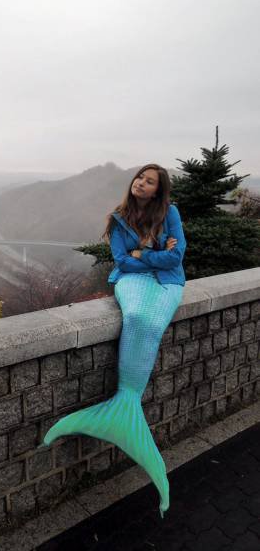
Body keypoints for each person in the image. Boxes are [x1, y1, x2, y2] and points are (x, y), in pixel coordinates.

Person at [39, 163, 187, 519]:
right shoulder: (119, 218)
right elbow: (122, 260)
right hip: (131, 280)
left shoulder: (170, 213)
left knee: (153, 322)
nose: (141, 183)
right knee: (136, 317)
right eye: (140, 178)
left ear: (158, 190)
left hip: (169, 281)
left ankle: (126, 411)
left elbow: (177, 256)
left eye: (149, 181)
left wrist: (143, 255)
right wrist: (151, 255)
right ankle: (123, 404)